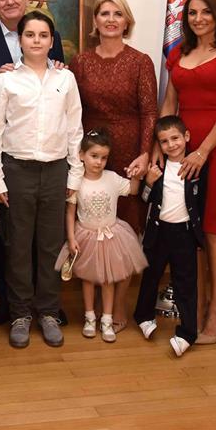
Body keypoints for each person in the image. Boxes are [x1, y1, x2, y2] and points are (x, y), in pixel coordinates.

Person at [0, 0, 66, 326]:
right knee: (11, 237)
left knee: (48, 236)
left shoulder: (51, 43)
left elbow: (60, 87)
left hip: (49, 158)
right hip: (5, 150)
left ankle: (48, 305)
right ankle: (12, 303)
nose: (9, 1)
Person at [157, 0, 216, 345]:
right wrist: (159, 148)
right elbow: (169, 103)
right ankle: (192, 307)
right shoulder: (179, 53)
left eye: (206, 12)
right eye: (193, 12)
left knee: (213, 229)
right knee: (187, 231)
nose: (198, 18)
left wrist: (204, 150)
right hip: (182, 149)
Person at [0, 12, 83, 348]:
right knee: (17, 246)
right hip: (17, 171)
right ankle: (20, 313)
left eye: (43, 35)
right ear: (20, 39)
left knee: (49, 245)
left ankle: (47, 310)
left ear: (52, 39)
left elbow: (75, 129)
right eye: (30, 34)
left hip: (56, 170)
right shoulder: (6, 80)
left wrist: (75, 173)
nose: (37, 41)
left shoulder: (65, 79)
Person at [70, 0, 157, 333]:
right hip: (92, 152)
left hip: (128, 154)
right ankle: (93, 307)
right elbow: (70, 105)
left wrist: (145, 152)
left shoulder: (140, 61)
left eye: (117, 13)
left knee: (127, 232)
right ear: (95, 22)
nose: (110, 19)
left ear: (126, 21)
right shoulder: (80, 62)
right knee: (93, 228)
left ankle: (119, 304)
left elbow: (150, 111)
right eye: (103, 13)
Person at [63, 128, 146, 343]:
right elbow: (70, 212)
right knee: (89, 280)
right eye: (94, 156)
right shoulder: (76, 181)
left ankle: (106, 320)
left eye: (104, 157)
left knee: (109, 279)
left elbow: (133, 191)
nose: (99, 162)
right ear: (81, 155)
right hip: (86, 237)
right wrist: (71, 238)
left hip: (110, 236)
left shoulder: (111, 178)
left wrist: (136, 175)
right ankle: (90, 317)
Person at [134, 116, 208, 358]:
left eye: (175, 138)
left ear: (186, 137)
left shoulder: (196, 168)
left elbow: (203, 202)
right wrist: (148, 182)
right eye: (164, 141)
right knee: (151, 276)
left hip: (184, 234)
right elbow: (145, 199)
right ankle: (143, 316)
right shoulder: (159, 168)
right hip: (159, 232)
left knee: (186, 282)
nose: (171, 145)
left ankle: (187, 332)